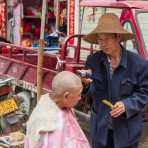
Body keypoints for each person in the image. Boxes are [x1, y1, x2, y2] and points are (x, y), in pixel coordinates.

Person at [80, 13, 148, 148]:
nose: (103, 44)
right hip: (100, 128)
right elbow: (90, 91)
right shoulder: (93, 61)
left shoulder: (139, 64)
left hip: (126, 132)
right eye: (100, 40)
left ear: (118, 37)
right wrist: (85, 85)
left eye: (107, 39)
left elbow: (145, 93)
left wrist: (127, 105)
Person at [24, 71, 90, 148]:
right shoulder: (45, 123)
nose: (80, 98)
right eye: (78, 94)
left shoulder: (65, 106)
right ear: (66, 96)